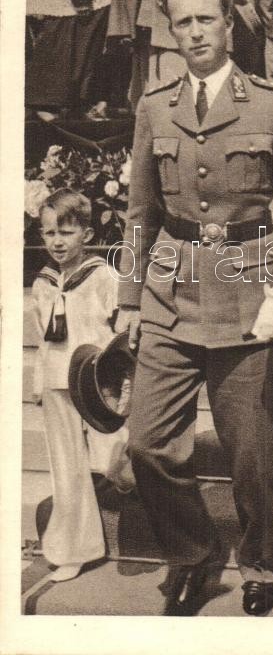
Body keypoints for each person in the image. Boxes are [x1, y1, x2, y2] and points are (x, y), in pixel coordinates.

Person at [115, 0, 273, 615]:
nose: (195, 31)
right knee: (148, 442)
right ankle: (193, 554)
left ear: (229, 23)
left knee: (252, 453)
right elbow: (140, 213)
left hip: (248, 298)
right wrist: (129, 299)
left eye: (206, 18)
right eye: (182, 21)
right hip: (169, 293)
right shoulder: (154, 107)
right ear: (171, 30)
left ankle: (262, 561)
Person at [32, 188, 133, 582]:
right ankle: (76, 549)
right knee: (67, 468)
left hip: (97, 382)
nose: (57, 242)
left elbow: (123, 331)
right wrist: (40, 382)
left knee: (114, 453)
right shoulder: (43, 284)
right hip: (58, 380)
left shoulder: (102, 277)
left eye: (66, 232)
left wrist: (122, 379)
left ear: (87, 234)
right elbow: (44, 339)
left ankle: (130, 483)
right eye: (49, 233)